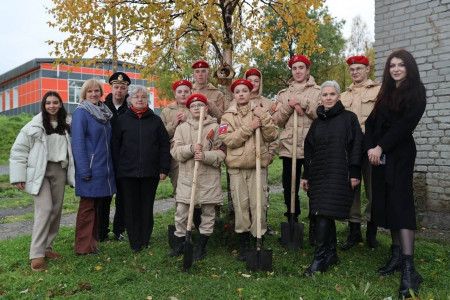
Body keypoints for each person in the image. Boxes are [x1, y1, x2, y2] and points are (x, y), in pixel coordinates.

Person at [365, 49, 426, 298]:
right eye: (392, 65)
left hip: (399, 153)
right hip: (379, 155)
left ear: (408, 67)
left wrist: (381, 146)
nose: (396, 69)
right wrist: (371, 147)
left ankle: (410, 269)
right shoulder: (386, 91)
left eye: (401, 65)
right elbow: (370, 122)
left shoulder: (416, 91)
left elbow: (404, 125)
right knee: (387, 203)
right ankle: (396, 256)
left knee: (401, 204)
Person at [301, 81, 363, 276]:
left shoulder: (349, 119)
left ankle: (319, 259)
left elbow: (356, 146)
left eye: (332, 94)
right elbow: (309, 149)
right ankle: (331, 254)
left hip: (339, 172)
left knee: (324, 213)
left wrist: (354, 172)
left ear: (338, 96)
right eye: (325, 94)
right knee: (322, 212)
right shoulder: (317, 122)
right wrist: (306, 174)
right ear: (321, 98)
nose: (328, 98)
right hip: (319, 173)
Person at [10, 91, 75, 271]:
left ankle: (47, 247)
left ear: (60, 104)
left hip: (59, 170)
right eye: (48, 103)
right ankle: (36, 254)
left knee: (55, 210)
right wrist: (18, 176)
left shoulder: (68, 124)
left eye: (55, 102)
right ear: (44, 105)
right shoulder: (34, 126)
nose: (52, 106)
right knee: (45, 209)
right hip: (39, 171)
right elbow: (18, 151)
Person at [219, 79, 278, 262]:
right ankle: (244, 244)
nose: (241, 94)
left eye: (245, 90)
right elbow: (228, 140)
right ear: (234, 95)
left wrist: (264, 118)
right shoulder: (227, 116)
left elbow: (272, 135)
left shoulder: (260, 111)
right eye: (238, 91)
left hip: (257, 166)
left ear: (251, 92)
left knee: (258, 204)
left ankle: (257, 240)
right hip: (236, 168)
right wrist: (249, 127)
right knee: (240, 205)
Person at [112, 85, 170, 253]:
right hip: (127, 173)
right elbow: (115, 147)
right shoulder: (122, 120)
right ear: (130, 99)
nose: (140, 99)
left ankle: (145, 239)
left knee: (146, 206)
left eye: (143, 97)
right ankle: (134, 241)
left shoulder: (155, 120)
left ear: (147, 100)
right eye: (136, 96)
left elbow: (164, 145)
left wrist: (163, 168)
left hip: (150, 173)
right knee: (130, 207)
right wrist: (117, 170)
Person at [167, 94, 225, 260]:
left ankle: (202, 247)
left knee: (208, 212)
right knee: (181, 212)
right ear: (189, 110)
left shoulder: (216, 127)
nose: (196, 108)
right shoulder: (182, 128)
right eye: (193, 106)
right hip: (187, 177)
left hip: (209, 177)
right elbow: (175, 152)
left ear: (206, 108)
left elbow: (222, 153)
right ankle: (181, 243)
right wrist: (191, 149)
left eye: (200, 105)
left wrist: (205, 156)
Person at [272, 55, 320, 246]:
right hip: (288, 147)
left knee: (313, 187)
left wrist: (303, 102)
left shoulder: (318, 91)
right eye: (294, 68)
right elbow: (276, 120)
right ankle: (292, 218)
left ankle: (314, 224)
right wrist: (289, 105)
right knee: (288, 186)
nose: (298, 71)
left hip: (311, 147)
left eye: (302, 68)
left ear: (308, 70)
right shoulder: (283, 94)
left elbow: (321, 114)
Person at [340, 55, 381, 250]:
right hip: (350, 148)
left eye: (359, 68)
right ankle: (354, 232)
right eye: (352, 69)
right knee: (351, 190)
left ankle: (371, 232)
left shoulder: (379, 91)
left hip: (370, 147)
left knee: (373, 190)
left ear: (367, 69)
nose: (355, 72)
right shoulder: (343, 95)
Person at [72, 78, 116, 255]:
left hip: (103, 168)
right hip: (89, 168)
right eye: (90, 91)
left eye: (96, 91)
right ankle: (83, 247)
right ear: (84, 94)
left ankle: (92, 243)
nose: (94, 94)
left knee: (96, 208)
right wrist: (84, 169)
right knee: (87, 208)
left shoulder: (103, 112)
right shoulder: (81, 113)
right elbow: (78, 143)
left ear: (101, 93)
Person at [244, 68, 278, 236]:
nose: (253, 83)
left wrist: (271, 151)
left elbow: (274, 128)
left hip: (262, 150)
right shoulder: (239, 100)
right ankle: (245, 224)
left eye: (256, 80)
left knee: (262, 190)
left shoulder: (267, 103)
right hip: (243, 153)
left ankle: (262, 223)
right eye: (249, 80)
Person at [98, 71, 130, 242]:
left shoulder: (131, 108)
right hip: (106, 159)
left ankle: (119, 230)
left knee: (123, 198)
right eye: (116, 87)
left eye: (122, 88)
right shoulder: (101, 107)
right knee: (104, 197)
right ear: (110, 88)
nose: (119, 90)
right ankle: (101, 231)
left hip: (125, 159)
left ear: (126, 90)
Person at [160, 79, 192, 195]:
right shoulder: (167, 111)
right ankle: (180, 211)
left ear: (190, 93)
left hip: (194, 153)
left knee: (196, 188)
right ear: (175, 94)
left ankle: (196, 213)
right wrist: (173, 125)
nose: (183, 94)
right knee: (179, 187)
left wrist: (187, 120)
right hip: (175, 157)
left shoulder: (196, 108)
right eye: (179, 92)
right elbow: (161, 136)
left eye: (186, 91)